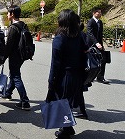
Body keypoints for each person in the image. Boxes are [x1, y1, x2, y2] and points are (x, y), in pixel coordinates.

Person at [46, 9, 87, 138]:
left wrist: (51, 81)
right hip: (77, 75)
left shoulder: (59, 38)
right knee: (67, 102)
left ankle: (65, 130)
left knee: (61, 101)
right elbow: (84, 57)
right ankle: (68, 128)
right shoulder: (79, 36)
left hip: (64, 76)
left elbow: (55, 63)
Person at [0, 5, 31, 110]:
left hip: (15, 56)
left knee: (16, 76)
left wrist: (2, 58)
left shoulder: (13, 28)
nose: (7, 15)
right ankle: (7, 93)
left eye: (8, 13)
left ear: (12, 14)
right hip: (22, 55)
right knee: (13, 74)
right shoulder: (23, 25)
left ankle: (25, 101)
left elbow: (9, 46)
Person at [86, 7, 109, 84]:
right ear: (94, 13)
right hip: (90, 44)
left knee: (103, 59)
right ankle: (88, 76)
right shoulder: (90, 21)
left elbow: (100, 35)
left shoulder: (100, 22)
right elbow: (90, 33)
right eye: (98, 12)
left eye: (100, 12)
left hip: (99, 44)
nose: (100, 14)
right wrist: (96, 43)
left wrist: (101, 44)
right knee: (89, 60)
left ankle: (100, 77)